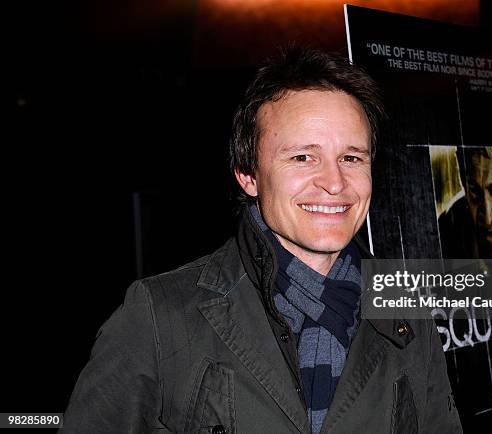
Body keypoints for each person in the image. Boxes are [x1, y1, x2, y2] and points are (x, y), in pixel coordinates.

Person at [62, 46, 462, 433]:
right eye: (303, 157)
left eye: (352, 157)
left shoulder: (407, 307)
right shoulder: (157, 316)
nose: (335, 182)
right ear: (248, 174)